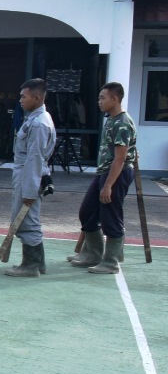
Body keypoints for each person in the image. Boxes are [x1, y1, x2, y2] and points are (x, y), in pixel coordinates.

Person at [69, 81, 138, 274]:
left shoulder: (123, 123)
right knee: (87, 212)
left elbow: (120, 158)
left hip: (116, 174)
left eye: (102, 98)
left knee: (111, 217)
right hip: (104, 172)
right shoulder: (112, 119)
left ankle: (111, 261)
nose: (99, 101)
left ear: (114, 99)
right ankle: (93, 254)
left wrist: (108, 185)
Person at [3, 79, 56, 277]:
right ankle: (38, 263)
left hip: (29, 175)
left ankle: (30, 266)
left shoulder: (40, 124)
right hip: (26, 173)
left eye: (24, 97)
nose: (20, 100)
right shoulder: (33, 118)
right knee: (26, 218)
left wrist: (30, 190)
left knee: (26, 220)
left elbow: (35, 158)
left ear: (37, 97)